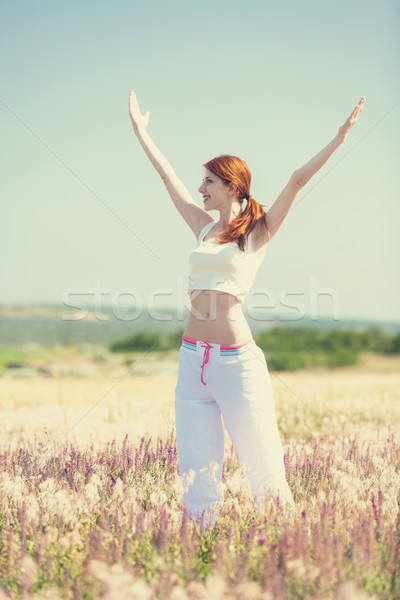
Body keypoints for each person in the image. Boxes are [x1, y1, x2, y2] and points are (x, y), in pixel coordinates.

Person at [128, 91, 365, 523]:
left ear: (232, 186)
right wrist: (142, 133)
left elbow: (296, 180)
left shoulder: (258, 232)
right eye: (201, 182)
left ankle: (291, 553)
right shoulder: (202, 228)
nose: (200, 189)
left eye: (208, 182)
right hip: (191, 361)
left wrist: (339, 138)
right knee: (197, 475)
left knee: (264, 469)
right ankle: (197, 556)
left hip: (236, 364)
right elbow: (166, 176)